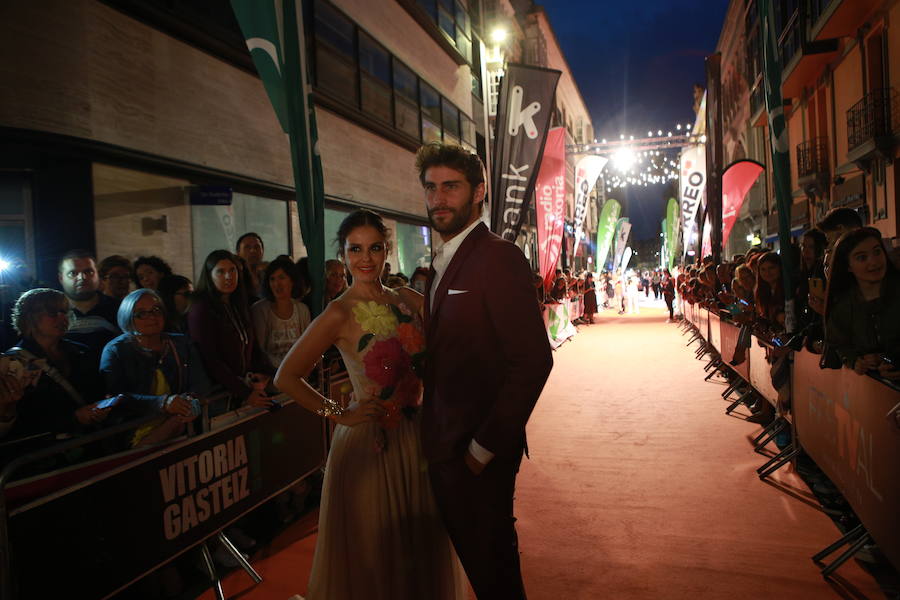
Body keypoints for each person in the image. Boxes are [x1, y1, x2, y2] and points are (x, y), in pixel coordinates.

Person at [275, 209, 465, 599]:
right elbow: (286, 377)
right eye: (355, 249)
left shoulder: (410, 300)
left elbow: (451, 353)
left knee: (419, 552)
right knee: (374, 560)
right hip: (369, 445)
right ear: (343, 255)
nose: (365, 258)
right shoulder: (338, 312)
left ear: (386, 250)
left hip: (418, 440)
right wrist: (340, 415)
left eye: (374, 248)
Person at [416, 142, 552, 599]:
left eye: (450, 187)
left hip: (476, 455)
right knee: (481, 565)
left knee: (492, 569)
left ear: (478, 192)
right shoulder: (438, 266)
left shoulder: (497, 256)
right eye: (431, 187)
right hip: (444, 444)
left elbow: (533, 360)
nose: (438, 198)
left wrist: (482, 448)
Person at [100, 289, 206, 446]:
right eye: (141, 313)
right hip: (134, 434)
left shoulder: (182, 344)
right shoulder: (115, 350)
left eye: (156, 310)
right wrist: (162, 403)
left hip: (183, 428)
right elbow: (114, 398)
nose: (152, 317)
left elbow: (200, 382)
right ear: (128, 317)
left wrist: (191, 400)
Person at [4, 288, 108, 445]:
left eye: (64, 312)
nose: (62, 318)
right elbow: (19, 420)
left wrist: (102, 406)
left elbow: (97, 391)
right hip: (45, 453)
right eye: (53, 313)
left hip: (89, 443)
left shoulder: (81, 351)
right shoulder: (14, 364)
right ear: (30, 317)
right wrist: (73, 418)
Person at [187, 250, 273, 412]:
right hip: (218, 393)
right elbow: (210, 359)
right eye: (220, 271)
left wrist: (266, 372)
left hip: (244, 386)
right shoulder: (201, 309)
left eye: (232, 270)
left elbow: (252, 346)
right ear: (209, 275)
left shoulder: (238, 303)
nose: (228, 276)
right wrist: (245, 392)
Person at [825, 227, 900, 380]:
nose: (873, 261)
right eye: (861, 257)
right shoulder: (842, 307)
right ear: (848, 266)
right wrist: (855, 360)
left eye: (877, 252)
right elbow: (838, 344)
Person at [251, 256, 311, 369]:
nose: (276, 284)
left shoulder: (302, 310)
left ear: (292, 281)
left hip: (299, 371)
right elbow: (260, 351)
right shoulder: (260, 310)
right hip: (272, 373)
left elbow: (306, 345)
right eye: (272, 279)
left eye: (282, 277)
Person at [58, 250, 121, 353]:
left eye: (89, 272)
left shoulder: (118, 309)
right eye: (73, 273)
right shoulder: (52, 312)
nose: (82, 278)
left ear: (98, 275)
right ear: (61, 278)